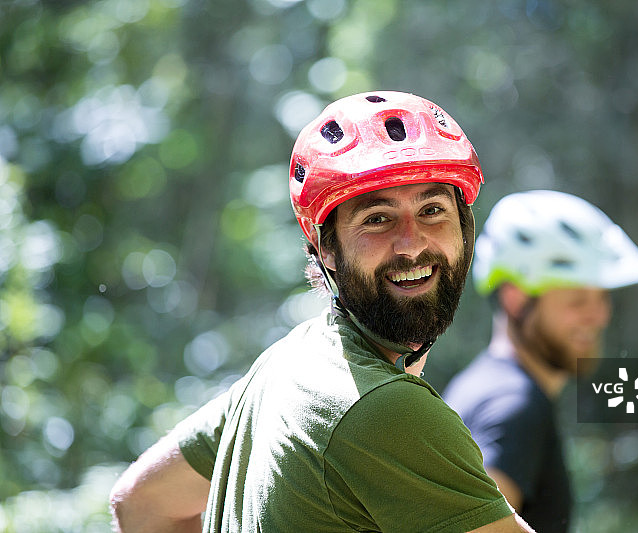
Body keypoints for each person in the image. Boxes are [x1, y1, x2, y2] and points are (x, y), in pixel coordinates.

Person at [109, 91, 535, 533]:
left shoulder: (288, 363)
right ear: (324, 246)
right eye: (376, 218)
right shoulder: (387, 410)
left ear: (465, 229)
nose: (411, 243)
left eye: (432, 211)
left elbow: (142, 503)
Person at [442, 190, 638, 533]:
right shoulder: (515, 405)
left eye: (602, 296)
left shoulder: (478, 384)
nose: (599, 316)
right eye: (577, 300)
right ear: (516, 300)